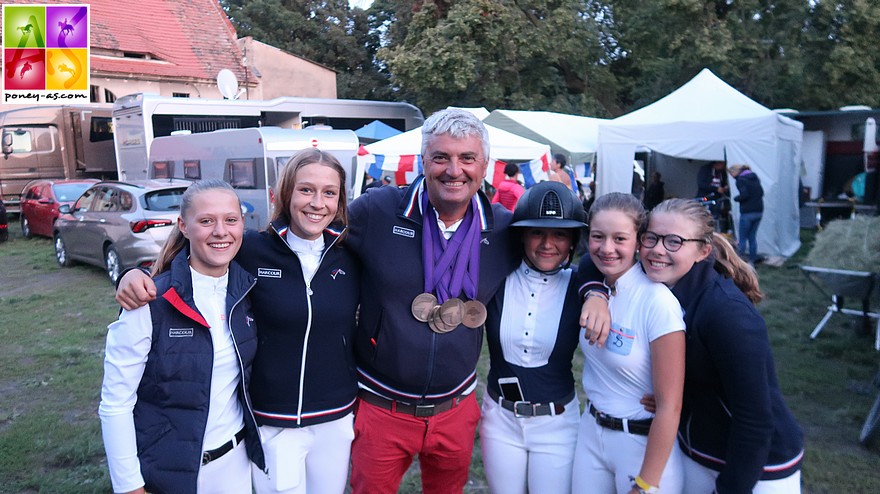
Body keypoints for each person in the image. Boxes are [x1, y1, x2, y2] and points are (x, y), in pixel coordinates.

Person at [115, 149, 362, 494]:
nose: (317, 202)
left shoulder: (352, 255)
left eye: (329, 192)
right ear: (284, 194)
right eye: (306, 190)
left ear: (340, 200)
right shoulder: (251, 248)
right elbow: (193, 258)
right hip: (271, 421)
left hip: (336, 419)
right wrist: (133, 275)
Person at [99, 179, 265, 494]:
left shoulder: (247, 290)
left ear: (243, 224)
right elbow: (116, 403)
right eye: (206, 221)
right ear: (183, 226)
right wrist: (129, 485)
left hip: (235, 467)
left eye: (230, 220)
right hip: (170, 475)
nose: (220, 231)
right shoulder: (148, 301)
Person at [639, 198, 803, 493]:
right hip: (699, 451)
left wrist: (730, 488)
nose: (658, 249)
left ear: (703, 251)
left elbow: (755, 420)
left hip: (757, 467)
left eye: (674, 241)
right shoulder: (661, 291)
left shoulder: (726, 312)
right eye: (651, 237)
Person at [572, 192, 686, 494]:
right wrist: (594, 294)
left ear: (640, 241)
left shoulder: (657, 302)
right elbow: (586, 262)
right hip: (591, 435)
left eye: (620, 239)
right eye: (598, 236)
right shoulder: (594, 286)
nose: (607, 248)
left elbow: (670, 407)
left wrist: (645, 484)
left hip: (641, 445)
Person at [480, 181, 587, 494]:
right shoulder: (496, 277)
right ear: (522, 235)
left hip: (556, 424)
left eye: (560, 234)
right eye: (537, 232)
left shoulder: (582, 285)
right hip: (500, 419)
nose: (547, 244)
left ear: (572, 242)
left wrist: (594, 291)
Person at [728, 164, 764, 264]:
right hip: (759, 211)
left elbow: (744, 195)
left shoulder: (741, 180)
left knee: (742, 238)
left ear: (735, 172)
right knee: (752, 237)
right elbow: (761, 192)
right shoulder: (754, 177)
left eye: (731, 174)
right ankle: (752, 261)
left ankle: (737, 262)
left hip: (747, 212)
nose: (732, 177)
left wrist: (736, 198)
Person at [696, 161, 730, 231]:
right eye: (722, 165)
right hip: (705, 197)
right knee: (703, 216)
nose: (723, 167)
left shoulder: (722, 172)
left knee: (716, 216)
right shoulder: (705, 170)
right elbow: (701, 184)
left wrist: (725, 188)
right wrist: (716, 189)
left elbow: (723, 183)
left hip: (718, 199)